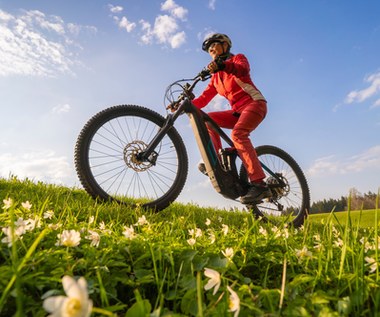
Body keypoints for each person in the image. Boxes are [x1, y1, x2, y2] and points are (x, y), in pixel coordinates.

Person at [192, 33, 271, 204]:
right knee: (207, 119)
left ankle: (259, 185)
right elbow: (204, 98)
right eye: (209, 49)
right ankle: (216, 162)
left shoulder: (238, 59)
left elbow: (242, 70)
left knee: (238, 134)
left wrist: (223, 66)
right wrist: (186, 104)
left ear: (225, 45)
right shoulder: (216, 77)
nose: (211, 49)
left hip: (254, 104)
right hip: (237, 112)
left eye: (214, 45)